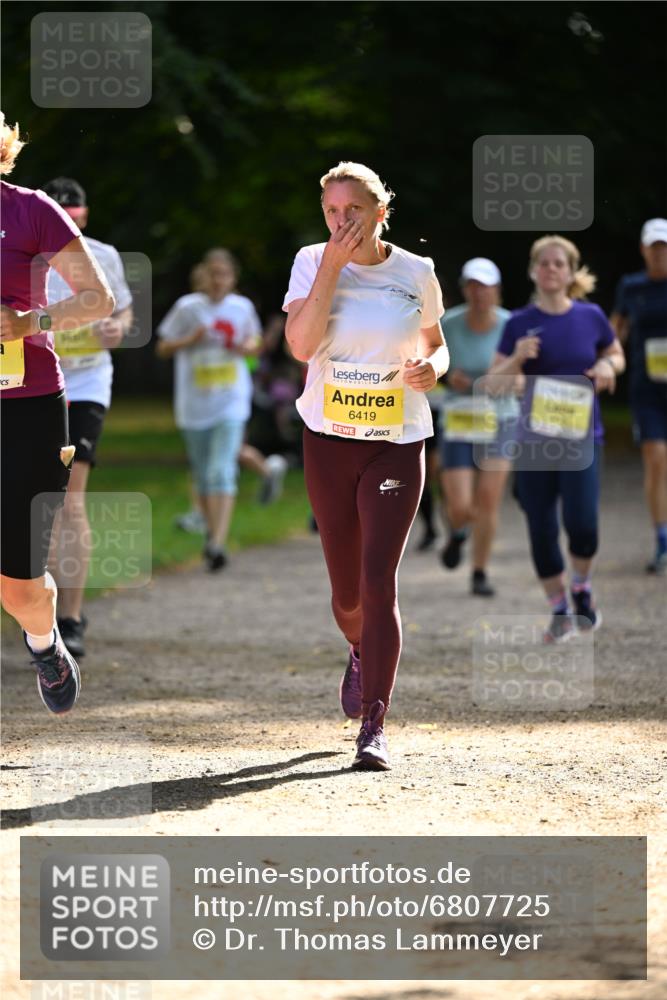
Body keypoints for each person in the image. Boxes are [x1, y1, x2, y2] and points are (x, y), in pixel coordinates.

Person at [284, 161, 448, 770]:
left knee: (379, 583)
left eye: (352, 210)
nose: (341, 221)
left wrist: (435, 368)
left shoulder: (416, 270)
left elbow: (436, 342)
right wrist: (333, 264)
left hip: (396, 441)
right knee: (348, 596)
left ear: (381, 212)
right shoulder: (311, 261)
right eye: (331, 211)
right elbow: (301, 346)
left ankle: (374, 726)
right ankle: (358, 648)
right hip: (328, 440)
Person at [0, 115, 114, 712]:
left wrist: (29, 321)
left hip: (27, 404)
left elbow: (99, 299)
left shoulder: (31, 210)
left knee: (19, 587)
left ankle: (45, 645)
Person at [488, 235, 625, 642]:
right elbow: (493, 384)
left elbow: (616, 354)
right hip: (534, 443)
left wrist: (608, 366)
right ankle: (559, 610)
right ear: (533, 271)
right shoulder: (517, 323)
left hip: (582, 438)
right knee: (541, 528)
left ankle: (581, 587)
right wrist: (517, 357)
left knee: (583, 524)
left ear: (570, 272)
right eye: (543, 263)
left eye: (558, 263)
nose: (550, 269)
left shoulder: (591, 316)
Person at [43, 176, 134, 657]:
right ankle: (39, 614)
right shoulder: (26, 257)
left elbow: (125, 313)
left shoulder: (103, 255)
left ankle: (71, 617)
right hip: (35, 382)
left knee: (70, 499)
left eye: (74, 218)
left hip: (86, 384)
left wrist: (117, 328)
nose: (68, 226)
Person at [156, 248, 266, 570]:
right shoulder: (187, 307)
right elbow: (162, 347)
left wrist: (245, 347)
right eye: (213, 273)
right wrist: (190, 339)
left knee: (221, 470)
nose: (218, 280)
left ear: (233, 277)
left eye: (224, 274)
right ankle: (210, 536)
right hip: (194, 405)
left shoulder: (241, 307)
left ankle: (218, 543)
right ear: (203, 275)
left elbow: (255, 343)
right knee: (204, 474)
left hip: (231, 401)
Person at [438, 258, 516, 596]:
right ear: (464, 289)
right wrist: (446, 376)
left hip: (500, 417)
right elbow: (433, 362)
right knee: (459, 505)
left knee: (487, 500)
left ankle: (479, 571)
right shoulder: (448, 323)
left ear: (496, 290)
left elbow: (525, 373)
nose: (478, 292)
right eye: (472, 285)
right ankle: (458, 532)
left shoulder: (511, 324)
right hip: (460, 417)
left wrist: (505, 381)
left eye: (484, 286)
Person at [609, 218, 667, 575]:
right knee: (656, 457)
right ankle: (662, 538)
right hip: (647, 388)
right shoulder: (631, 286)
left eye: (665, 247)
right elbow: (615, 331)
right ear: (644, 250)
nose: (660, 253)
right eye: (654, 247)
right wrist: (607, 357)